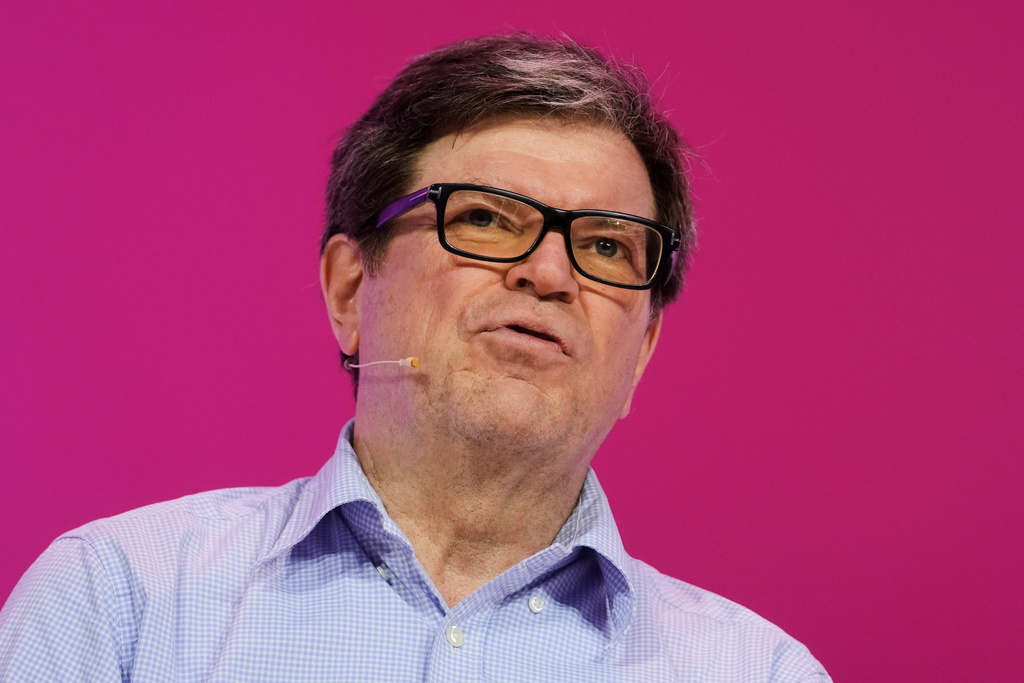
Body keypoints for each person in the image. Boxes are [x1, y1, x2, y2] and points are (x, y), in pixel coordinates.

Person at [0, 33, 830, 682]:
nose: (548, 273)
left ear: (642, 350)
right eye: (485, 218)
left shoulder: (754, 669)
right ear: (350, 288)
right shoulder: (120, 603)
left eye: (607, 246)